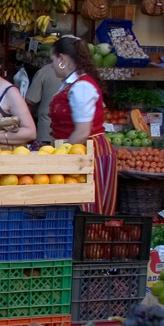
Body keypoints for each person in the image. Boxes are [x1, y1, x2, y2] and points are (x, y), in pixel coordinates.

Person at [48, 35, 118, 214]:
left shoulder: (82, 87)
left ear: (62, 59)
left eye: (53, 60)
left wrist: (60, 159)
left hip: (86, 154)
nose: (52, 65)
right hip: (78, 151)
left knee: (86, 212)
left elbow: (82, 131)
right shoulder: (71, 84)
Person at [25, 62, 66, 142]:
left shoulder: (46, 70)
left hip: (47, 131)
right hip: (73, 134)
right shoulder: (83, 73)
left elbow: (31, 100)